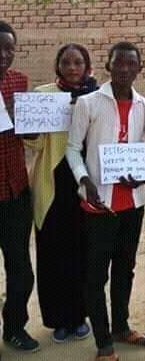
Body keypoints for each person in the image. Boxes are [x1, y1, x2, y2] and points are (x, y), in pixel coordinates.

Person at [66, 41, 145, 361]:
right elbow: (73, 148)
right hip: (98, 203)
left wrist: (143, 175)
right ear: (108, 66)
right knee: (96, 274)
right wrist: (84, 179)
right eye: (119, 64)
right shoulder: (89, 103)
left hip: (133, 203)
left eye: (131, 64)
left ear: (139, 68)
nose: (125, 70)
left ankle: (121, 327)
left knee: (125, 269)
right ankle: (103, 343)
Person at [26, 43, 97, 343]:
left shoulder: (97, 97)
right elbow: (35, 143)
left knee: (84, 253)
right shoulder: (43, 96)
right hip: (52, 184)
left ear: (87, 66)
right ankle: (58, 319)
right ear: (58, 66)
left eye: (78, 62)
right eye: (66, 62)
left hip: (86, 184)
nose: (72, 67)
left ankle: (80, 316)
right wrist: (28, 128)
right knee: (53, 253)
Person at [0, 21, 40, 354]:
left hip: (15, 191)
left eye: (9, 48)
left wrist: (31, 122)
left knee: (21, 271)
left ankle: (14, 328)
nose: (3, 54)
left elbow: (28, 137)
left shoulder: (20, 82)